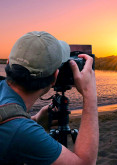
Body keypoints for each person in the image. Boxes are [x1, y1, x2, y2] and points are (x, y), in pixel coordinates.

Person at [0, 31, 99, 165]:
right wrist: (89, 94)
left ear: (8, 64)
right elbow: (84, 163)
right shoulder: (20, 130)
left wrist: (35, 120)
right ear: (55, 76)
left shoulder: (16, 125)